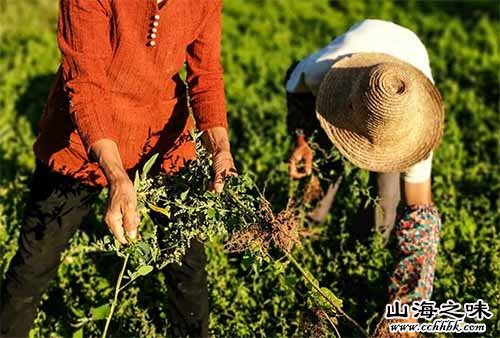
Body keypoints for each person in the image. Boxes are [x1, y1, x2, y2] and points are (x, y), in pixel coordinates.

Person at [0, 0, 235, 337]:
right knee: (34, 262)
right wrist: (117, 175)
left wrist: (221, 152)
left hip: (163, 137)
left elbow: (206, 75)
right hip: (79, 141)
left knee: (188, 265)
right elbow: (85, 84)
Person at [285, 19, 444, 337]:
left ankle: (365, 242)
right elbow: (294, 87)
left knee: (387, 204)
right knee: (321, 171)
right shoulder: (323, 73)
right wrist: (301, 142)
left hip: (401, 80)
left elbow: (420, 222)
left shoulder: (415, 129)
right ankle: (306, 227)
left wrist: (408, 308)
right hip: (349, 91)